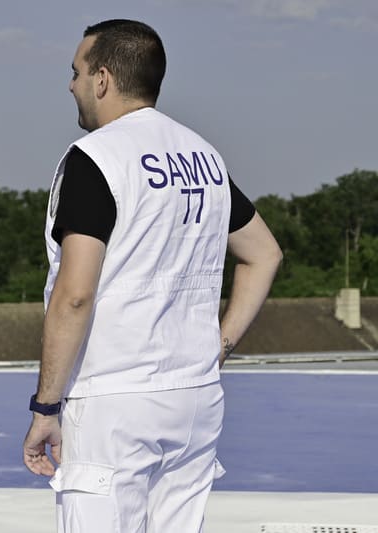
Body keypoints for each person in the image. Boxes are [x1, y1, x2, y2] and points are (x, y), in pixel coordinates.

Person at [22, 19, 282, 533]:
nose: (70, 85)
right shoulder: (203, 157)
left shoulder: (97, 158)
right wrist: (219, 346)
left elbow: (75, 295)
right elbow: (264, 254)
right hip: (195, 396)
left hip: (114, 398)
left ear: (102, 79)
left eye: (75, 73)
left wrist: (45, 405)